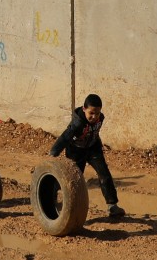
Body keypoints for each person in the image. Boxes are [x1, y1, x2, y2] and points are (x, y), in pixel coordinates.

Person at [51, 93, 126, 222]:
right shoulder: (77, 123)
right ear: (84, 109)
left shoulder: (100, 118)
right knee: (73, 181)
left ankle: (112, 206)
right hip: (75, 151)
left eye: (97, 113)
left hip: (93, 148)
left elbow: (94, 132)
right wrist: (54, 152)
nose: (94, 116)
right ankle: (52, 197)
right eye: (91, 113)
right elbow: (65, 137)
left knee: (104, 175)